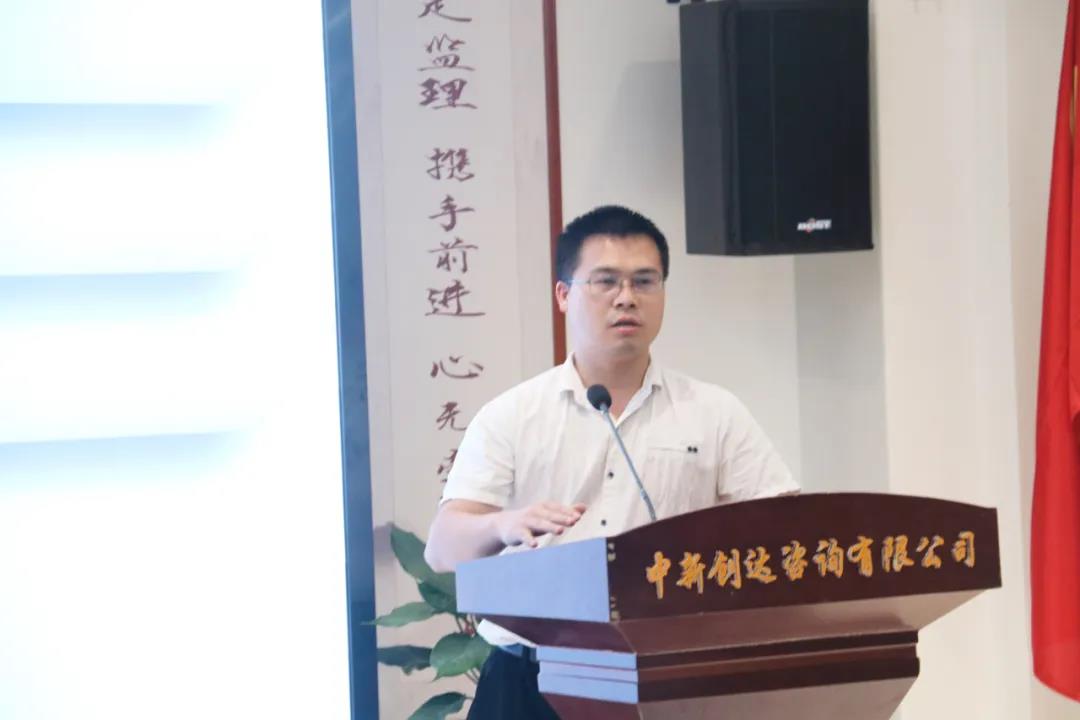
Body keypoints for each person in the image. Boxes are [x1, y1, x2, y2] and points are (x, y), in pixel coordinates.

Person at [424, 205, 798, 719]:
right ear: (563, 295)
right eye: (606, 282)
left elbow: (786, 527)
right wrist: (503, 525)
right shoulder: (512, 415)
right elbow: (442, 548)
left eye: (644, 281)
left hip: (668, 679)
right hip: (531, 684)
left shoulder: (713, 412)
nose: (627, 298)